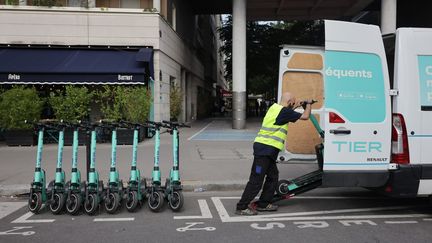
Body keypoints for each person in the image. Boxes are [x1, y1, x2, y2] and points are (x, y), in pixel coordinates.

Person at [235, 92, 313, 215]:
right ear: (289, 102)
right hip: (264, 151)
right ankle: (242, 207)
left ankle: (263, 204)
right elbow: (305, 116)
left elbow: (287, 111)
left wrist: (296, 105)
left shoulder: (274, 108)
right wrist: (308, 104)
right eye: (293, 102)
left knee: (273, 176)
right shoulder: (285, 112)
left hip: (267, 150)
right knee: (256, 180)